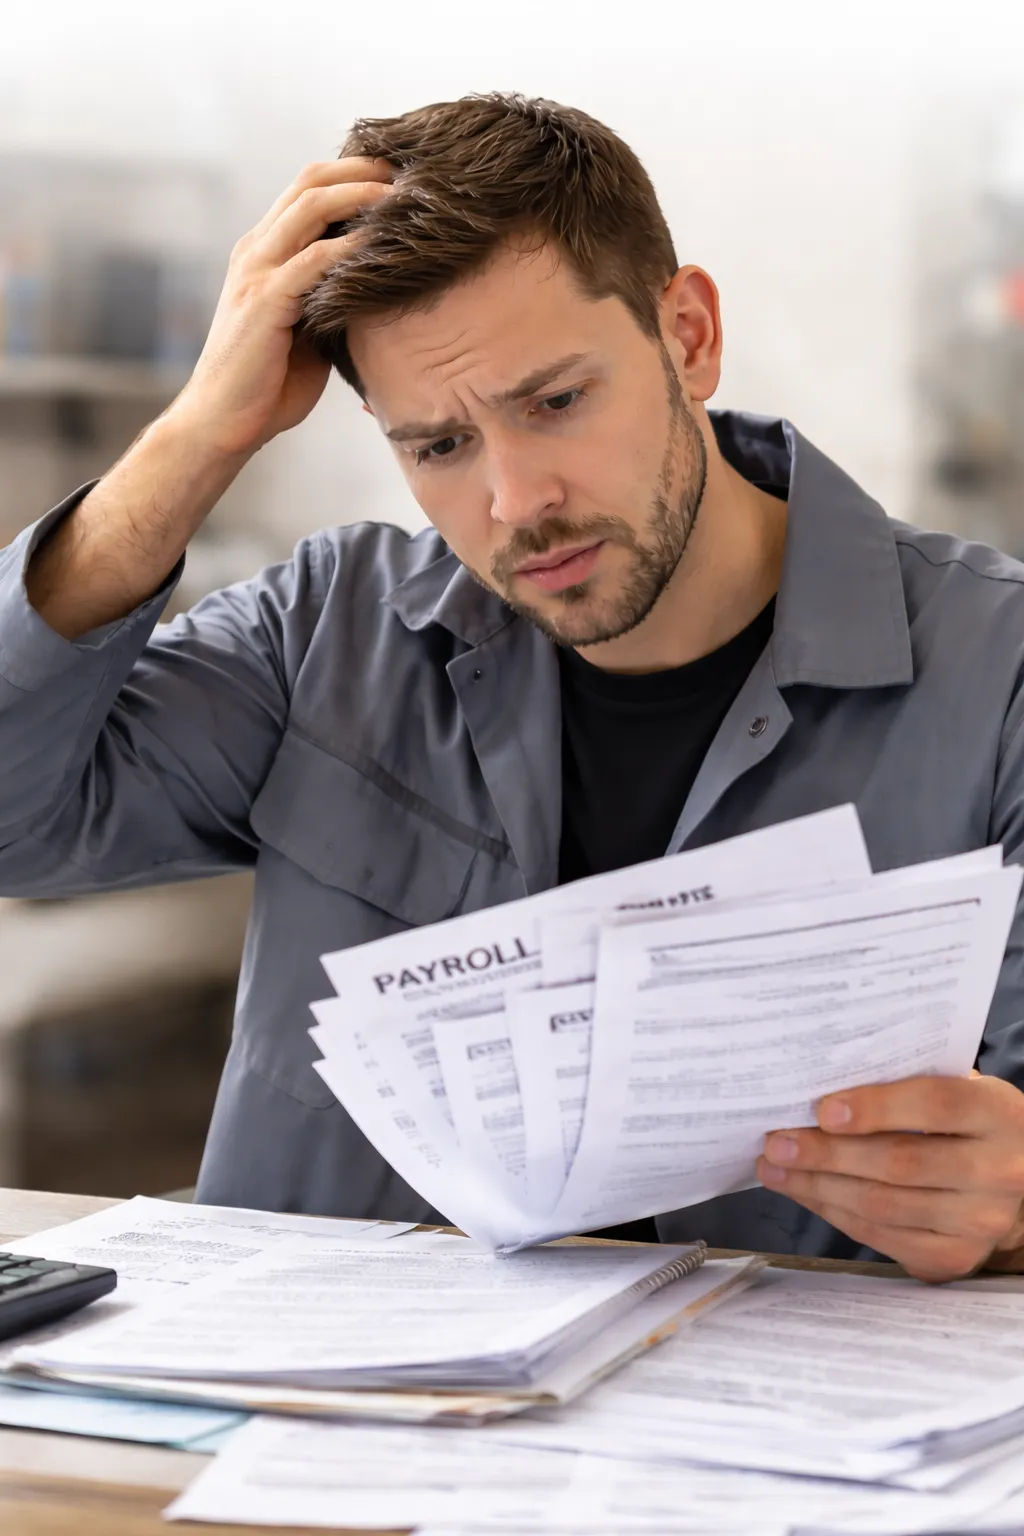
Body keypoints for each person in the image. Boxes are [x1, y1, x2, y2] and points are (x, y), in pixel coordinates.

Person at [3, 94, 1024, 1282]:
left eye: (554, 401)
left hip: (796, 1444)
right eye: (438, 444)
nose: (514, 500)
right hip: (333, 1434)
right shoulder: (327, 632)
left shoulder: (995, 672)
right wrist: (199, 435)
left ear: (687, 334)